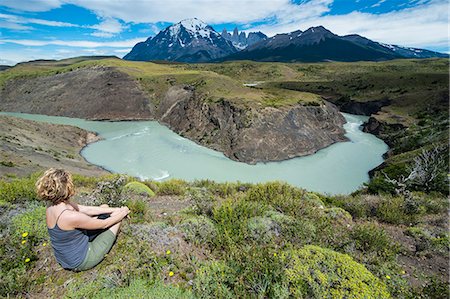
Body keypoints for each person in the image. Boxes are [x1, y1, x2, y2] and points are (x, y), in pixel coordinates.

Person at [36, 168, 130, 271]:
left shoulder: (52, 205)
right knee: (117, 221)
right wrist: (123, 212)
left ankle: (114, 213)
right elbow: (104, 224)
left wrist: (115, 209)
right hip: (81, 260)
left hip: (66, 255)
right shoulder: (69, 216)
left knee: (104, 207)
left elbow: (84, 209)